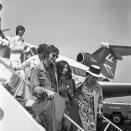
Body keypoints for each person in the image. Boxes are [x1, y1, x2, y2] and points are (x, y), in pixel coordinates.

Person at [30, 45, 65, 131]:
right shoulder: (37, 69)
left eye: (57, 56)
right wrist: (46, 91)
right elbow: (34, 89)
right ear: (47, 54)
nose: (55, 58)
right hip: (42, 107)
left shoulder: (55, 70)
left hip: (55, 107)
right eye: (54, 55)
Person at [56, 60, 81, 131]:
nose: (66, 69)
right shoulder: (55, 79)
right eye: (64, 67)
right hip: (60, 107)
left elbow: (75, 91)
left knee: (70, 127)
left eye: (67, 68)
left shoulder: (70, 80)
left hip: (70, 107)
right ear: (59, 68)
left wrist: (76, 99)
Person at [77, 65, 103, 131]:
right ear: (88, 75)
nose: (95, 79)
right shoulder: (80, 82)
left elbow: (100, 100)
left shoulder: (98, 87)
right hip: (80, 112)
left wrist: (99, 110)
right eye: (93, 77)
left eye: (96, 78)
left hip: (91, 114)